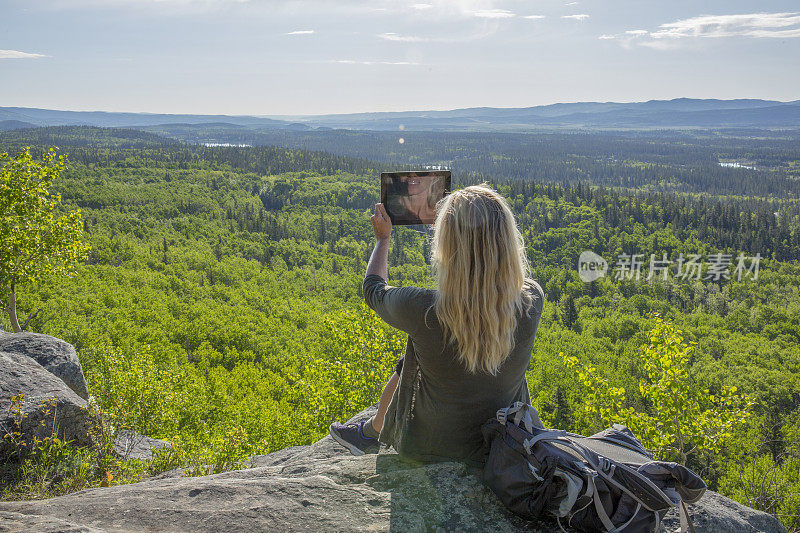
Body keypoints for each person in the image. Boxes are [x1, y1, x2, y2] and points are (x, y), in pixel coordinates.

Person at [329, 184, 545, 466]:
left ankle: (373, 431)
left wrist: (383, 239)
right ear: (507, 241)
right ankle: (372, 430)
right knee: (424, 348)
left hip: (432, 452)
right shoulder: (531, 300)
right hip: (504, 444)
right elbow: (494, 294)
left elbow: (373, 289)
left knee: (422, 346)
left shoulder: (424, 310)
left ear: (447, 245)